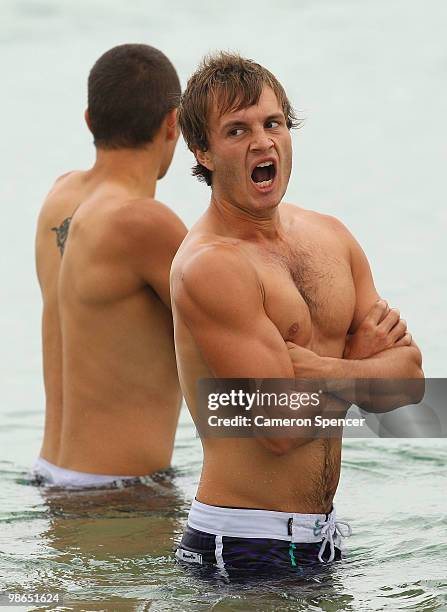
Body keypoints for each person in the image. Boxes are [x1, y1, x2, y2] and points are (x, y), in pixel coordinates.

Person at [170, 52, 423, 574]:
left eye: (273, 123)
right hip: (241, 545)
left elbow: (410, 384)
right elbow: (278, 427)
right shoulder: (211, 266)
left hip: (325, 539)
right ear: (202, 151)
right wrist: (363, 369)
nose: (262, 142)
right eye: (237, 131)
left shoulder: (330, 235)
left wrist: (332, 369)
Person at [32, 44, 187, 488]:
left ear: (89, 120)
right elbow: (238, 332)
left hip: (49, 476)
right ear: (172, 123)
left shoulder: (58, 197)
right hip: (117, 495)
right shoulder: (143, 222)